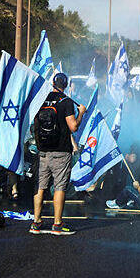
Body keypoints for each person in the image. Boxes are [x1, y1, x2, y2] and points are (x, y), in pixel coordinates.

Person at [31, 73, 85, 236]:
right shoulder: (66, 101)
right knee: (60, 186)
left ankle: (36, 222)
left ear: (53, 83)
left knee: (41, 187)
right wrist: (80, 112)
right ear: (66, 85)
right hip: (61, 150)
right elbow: (73, 126)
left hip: (43, 150)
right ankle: (57, 224)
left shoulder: (41, 100)